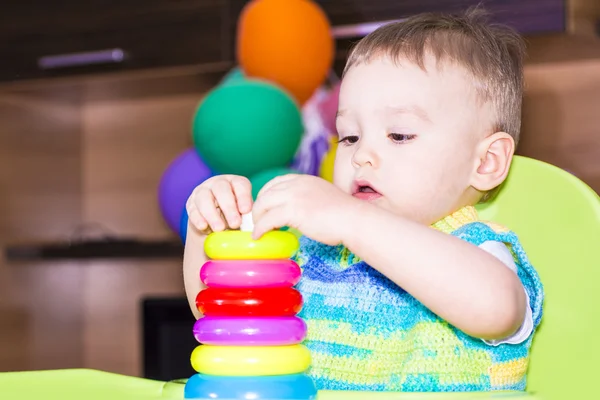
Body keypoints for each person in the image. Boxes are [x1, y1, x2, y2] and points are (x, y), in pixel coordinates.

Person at [183, 8, 544, 393]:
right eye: (350, 137)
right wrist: (204, 228)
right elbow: (222, 313)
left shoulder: (478, 249)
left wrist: (351, 220)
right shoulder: (313, 254)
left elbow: (496, 308)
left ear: (486, 162)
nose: (361, 156)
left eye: (399, 135)